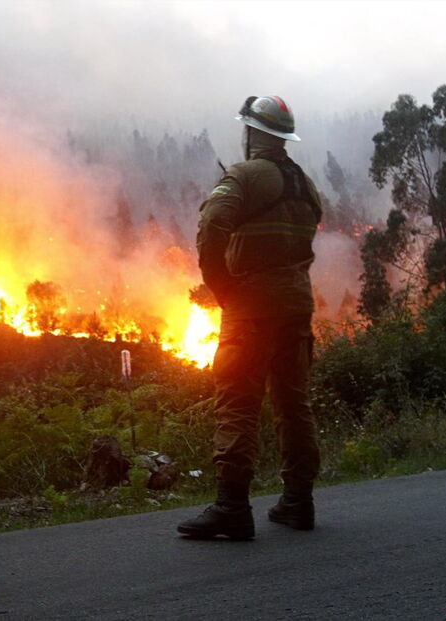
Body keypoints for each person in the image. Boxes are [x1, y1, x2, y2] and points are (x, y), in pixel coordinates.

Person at [177, 95, 322, 540]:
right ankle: (298, 502)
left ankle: (232, 507)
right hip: (296, 305)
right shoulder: (305, 185)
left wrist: (222, 288)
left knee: (238, 401)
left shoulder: (244, 176)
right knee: (293, 402)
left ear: (252, 133)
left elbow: (211, 225)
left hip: (252, 307)